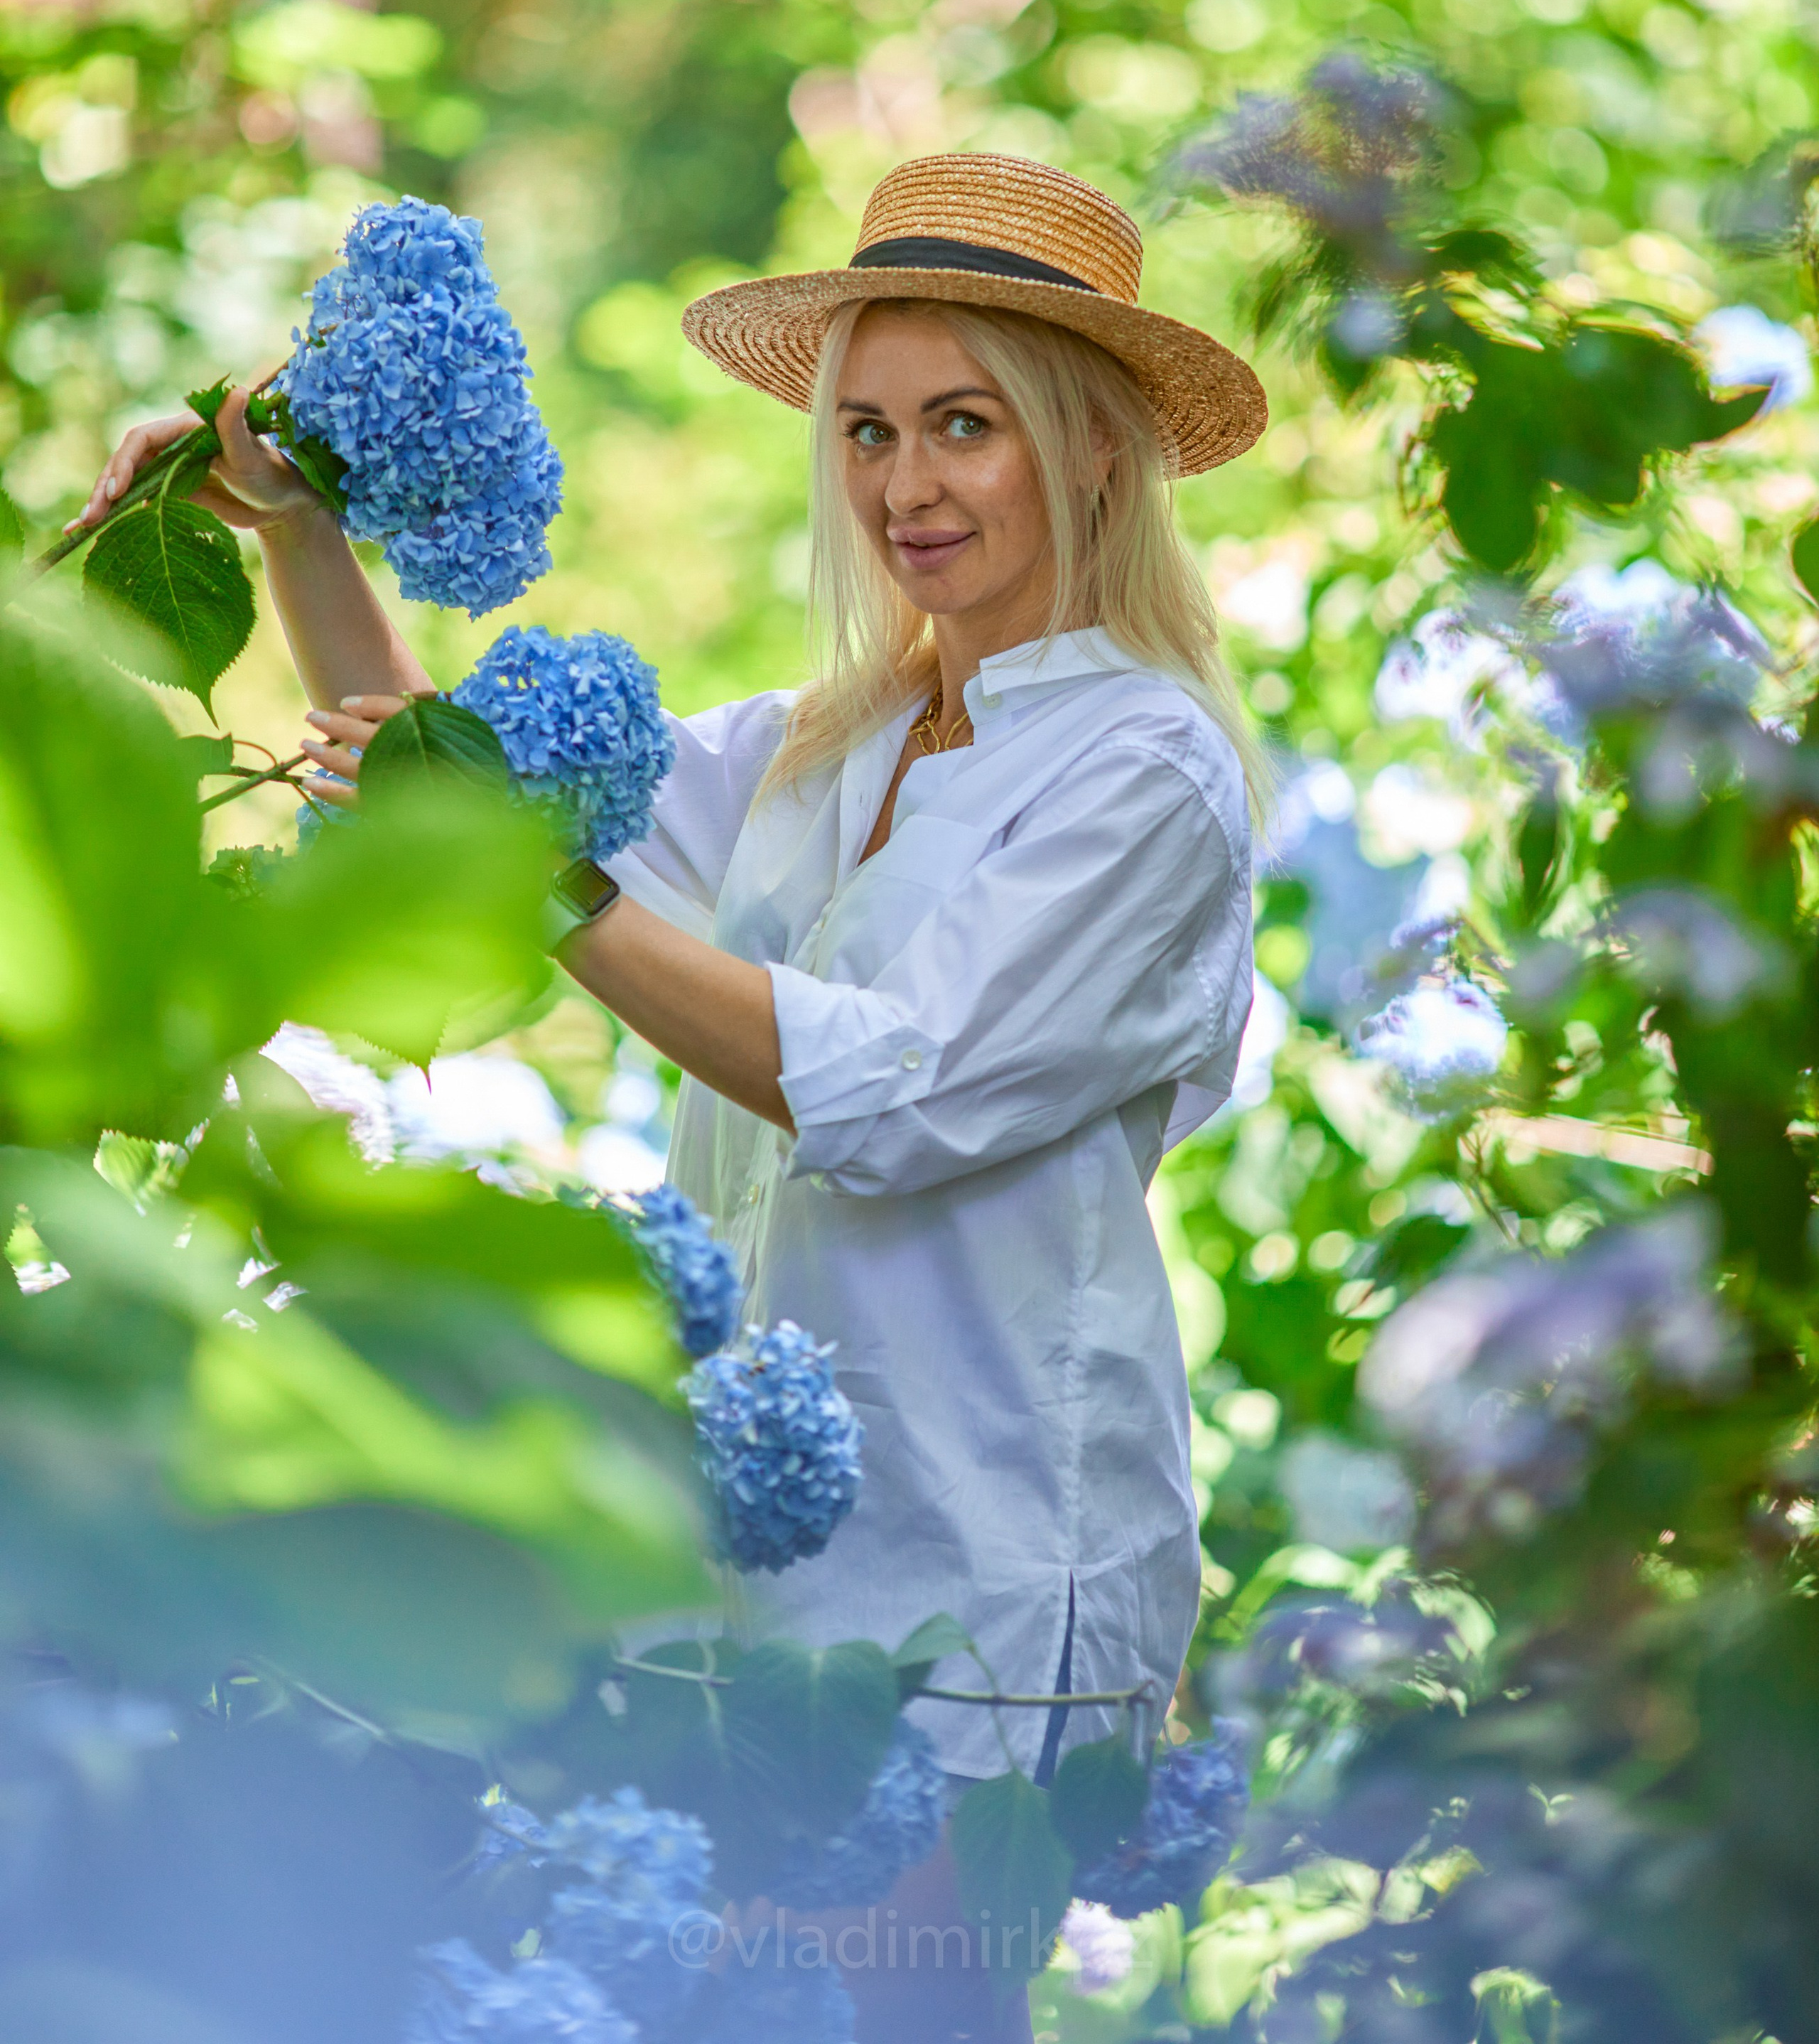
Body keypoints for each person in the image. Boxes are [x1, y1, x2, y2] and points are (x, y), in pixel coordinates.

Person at [80, 150, 1268, 2043]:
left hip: (979, 1577)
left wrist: (549, 879)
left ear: (1097, 451)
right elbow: (474, 814)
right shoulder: (834, 741)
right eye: (870, 431)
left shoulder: (1148, 776)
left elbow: (890, 1085)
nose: (904, 484)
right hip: (770, 1568)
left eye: (966, 426)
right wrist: (296, 529)